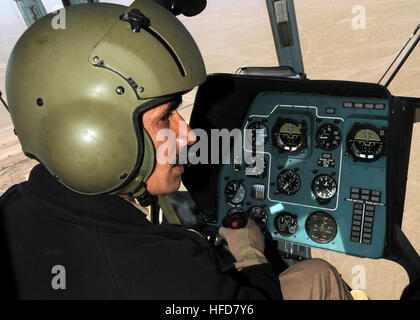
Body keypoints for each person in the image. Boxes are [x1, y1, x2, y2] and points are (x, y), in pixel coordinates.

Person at [0, 0, 352, 300]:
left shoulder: (15, 204)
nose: (188, 137)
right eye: (166, 117)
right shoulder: (162, 268)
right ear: (93, 135)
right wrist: (250, 253)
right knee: (319, 273)